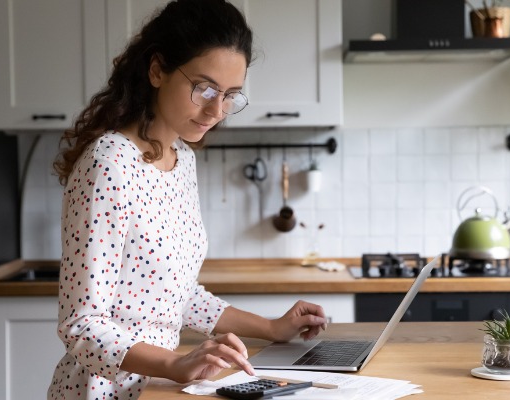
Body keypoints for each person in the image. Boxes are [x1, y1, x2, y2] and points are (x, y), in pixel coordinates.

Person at [48, 0, 328, 398]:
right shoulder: (108, 163)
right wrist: (175, 364)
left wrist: (272, 328)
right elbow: (81, 323)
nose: (217, 110)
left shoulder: (180, 161)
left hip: (160, 387)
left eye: (231, 94)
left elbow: (176, 294)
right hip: (103, 389)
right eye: (205, 88)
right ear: (157, 70)